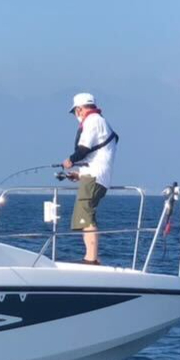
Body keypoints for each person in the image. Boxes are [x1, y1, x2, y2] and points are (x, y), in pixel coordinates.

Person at [61, 92, 118, 265]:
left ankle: (91, 259)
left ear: (79, 109)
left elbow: (84, 149)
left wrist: (70, 161)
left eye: (74, 112)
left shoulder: (92, 121)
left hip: (94, 177)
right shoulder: (101, 121)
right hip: (96, 176)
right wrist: (79, 174)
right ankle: (91, 257)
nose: (75, 115)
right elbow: (97, 155)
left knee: (86, 217)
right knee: (87, 216)